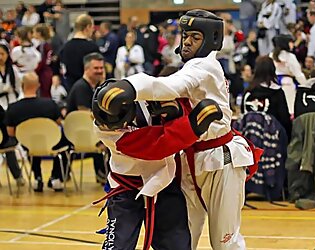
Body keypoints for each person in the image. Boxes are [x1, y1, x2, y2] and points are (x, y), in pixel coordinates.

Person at [95, 9, 257, 250]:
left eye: (195, 36)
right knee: (183, 241)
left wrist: (129, 86)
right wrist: (180, 116)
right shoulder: (191, 68)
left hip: (220, 158)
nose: (187, 41)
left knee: (225, 242)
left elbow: (171, 86)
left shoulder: (204, 66)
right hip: (187, 161)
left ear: (212, 40)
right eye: (185, 35)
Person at [93, 85, 223, 249]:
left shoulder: (147, 93)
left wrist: (178, 111)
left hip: (162, 181)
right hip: (125, 188)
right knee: (118, 245)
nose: (119, 127)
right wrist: (192, 125)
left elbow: (176, 87)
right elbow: (158, 144)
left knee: (176, 245)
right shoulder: (106, 132)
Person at [5, 72, 68, 192]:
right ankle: (56, 177)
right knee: (65, 144)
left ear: (22, 85)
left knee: (32, 144)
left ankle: (37, 177)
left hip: (28, 145)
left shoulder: (13, 108)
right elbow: (59, 124)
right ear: (38, 85)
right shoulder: (50, 104)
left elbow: (11, 133)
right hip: (51, 143)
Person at [66, 52, 107, 184]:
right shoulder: (81, 87)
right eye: (96, 68)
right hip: (78, 135)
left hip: (88, 131)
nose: (100, 71)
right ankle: (104, 174)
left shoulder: (94, 86)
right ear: (86, 69)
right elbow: (85, 116)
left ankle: (102, 174)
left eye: (101, 68)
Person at [241, 56, 292, 140]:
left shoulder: (248, 92)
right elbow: (284, 120)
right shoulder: (277, 93)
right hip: (273, 141)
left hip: (249, 140)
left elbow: (243, 115)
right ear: (273, 70)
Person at [59, 14, 99, 92]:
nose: (93, 30)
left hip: (70, 89)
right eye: (92, 27)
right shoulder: (92, 47)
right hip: (88, 89)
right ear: (87, 27)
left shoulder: (65, 47)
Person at [270, 34, 307, 114]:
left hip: (273, 84)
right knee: (290, 108)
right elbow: (298, 74)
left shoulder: (271, 55)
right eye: (291, 42)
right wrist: (306, 85)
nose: (292, 44)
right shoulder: (290, 57)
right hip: (287, 84)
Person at [0, 44, 21, 110]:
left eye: (2, 54)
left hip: (12, 101)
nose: (0, 57)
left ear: (7, 54)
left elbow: (18, 87)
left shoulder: (14, 69)